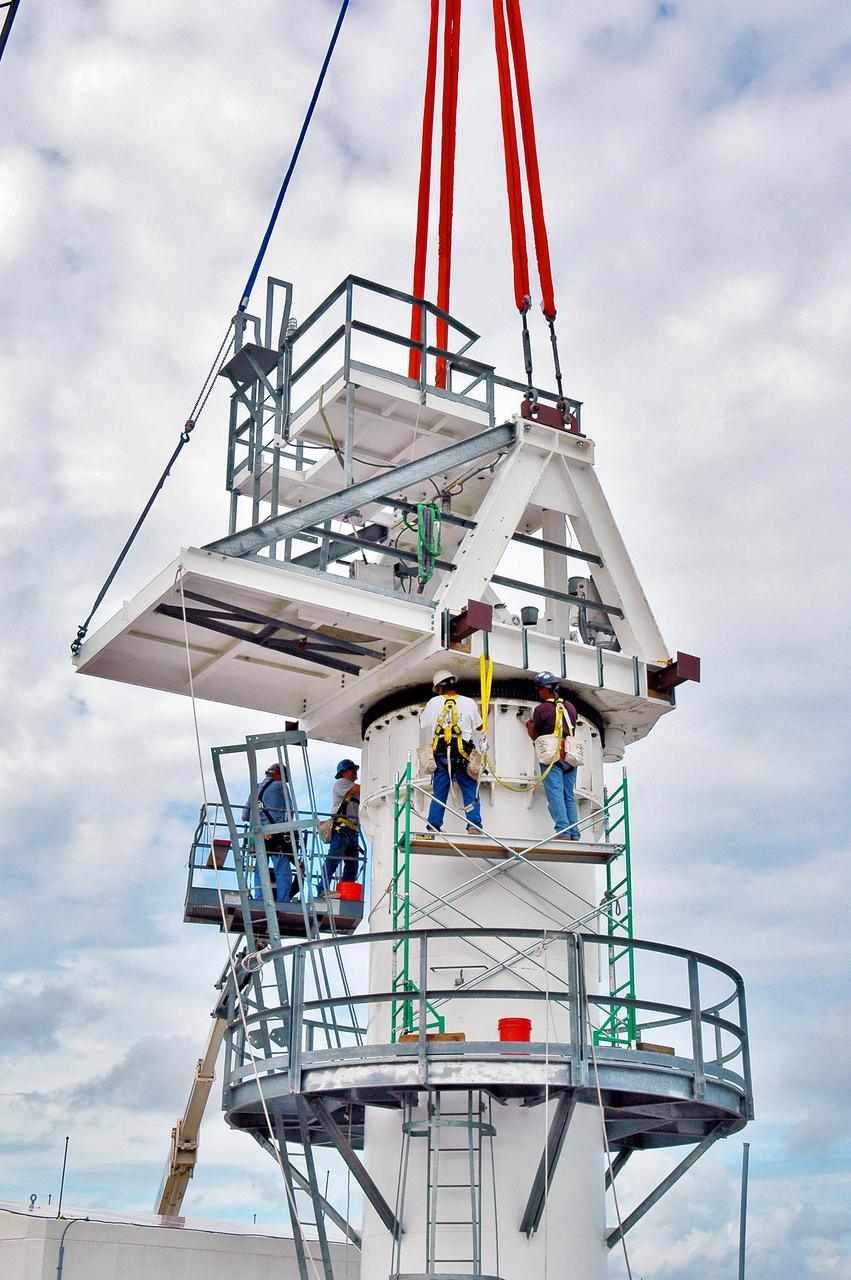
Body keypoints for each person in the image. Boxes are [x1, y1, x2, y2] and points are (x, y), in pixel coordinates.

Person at [419, 668, 483, 834]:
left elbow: (423, 722)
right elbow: (480, 726)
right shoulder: (469, 703)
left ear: (439, 688)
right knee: (469, 789)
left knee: (440, 789)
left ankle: (434, 825)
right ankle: (473, 825)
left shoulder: (433, 703)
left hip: (441, 753)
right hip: (463, 752)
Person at [526, 672, 581, 841]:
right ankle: (574, 832)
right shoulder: (570, 707)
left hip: (552, 755)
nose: (539, 692)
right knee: (568, 795)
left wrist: (528, 724)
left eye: (540, 689)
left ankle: (563, 831)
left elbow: (535, 735)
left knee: (555, 794)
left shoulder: (541, 710)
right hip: (570, 755)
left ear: (545, 690)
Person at [242, 763, 296, 901]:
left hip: (257, 835)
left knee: (260, 869)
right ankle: (283, 899)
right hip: (276, 834)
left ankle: (260, 897)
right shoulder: (281, 786)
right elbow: (290, 811)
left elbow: (245, 816)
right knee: (282, 869)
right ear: (280, 775)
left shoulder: (255, 788)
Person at [322, 759, 361, 893]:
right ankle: (322, 889)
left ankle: (345, 891)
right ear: (343, 773)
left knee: (352, 865)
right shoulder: (342, 783)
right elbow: (358, 788)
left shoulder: (356, 789)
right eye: (352, 769)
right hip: (342, 829)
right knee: (333, 859)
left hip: (353, 831)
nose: (355, 772)